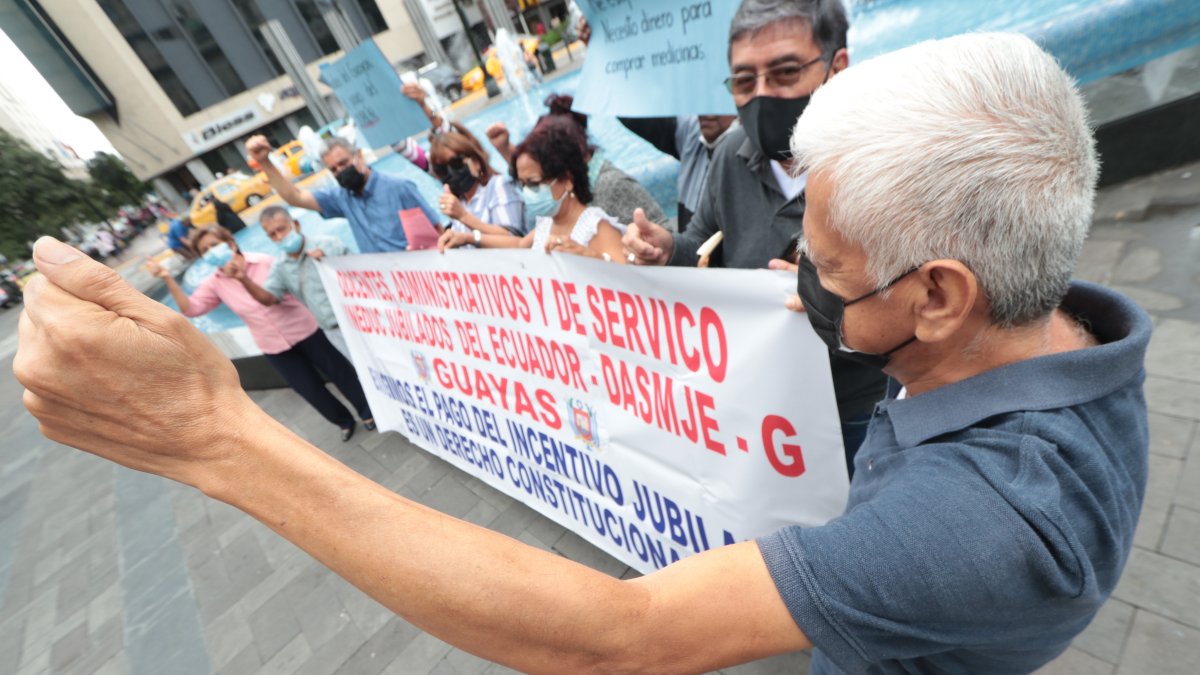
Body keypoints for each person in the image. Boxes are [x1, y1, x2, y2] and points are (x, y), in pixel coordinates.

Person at [13, 31, 1152, 674]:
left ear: (942, 296)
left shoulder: (986, 524)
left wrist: (216, 440)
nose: (801, 276)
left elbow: (618, 635)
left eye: (828, 266)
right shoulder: (1066, 327)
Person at [622, 0, 884, 465]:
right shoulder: (728, 155)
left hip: (864, 409)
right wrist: (665, 250)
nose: (761, 96)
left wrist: (844, 293)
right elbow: (701, 242)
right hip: (768, 408)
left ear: (836, 68)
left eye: (784, 73)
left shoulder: (886, 165)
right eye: (744, 82)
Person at [146, 225, 375, 442]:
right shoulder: (214, 284)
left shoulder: (265, 262)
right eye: (204, 250)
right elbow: (191, 309)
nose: (211, 251)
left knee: (341, 373)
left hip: (304, 328)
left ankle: (366, 411)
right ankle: (343, 421)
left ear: (230, 243)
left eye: (214, 244)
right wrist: (166, 277)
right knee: (309, 389)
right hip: (272, 345)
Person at [575, 16, 737, 232]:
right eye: (700, 92)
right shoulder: (692, 135)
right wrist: (605, 49)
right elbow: (633, 107)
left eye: (719, 92)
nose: (705, 106)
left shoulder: (761, 153)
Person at [439, 116, 626, 264]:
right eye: (524, 184)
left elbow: (632, 281)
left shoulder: (596, 226)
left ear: (567, 179)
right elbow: (519, 245)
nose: (528, 192)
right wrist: (469, 238)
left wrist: (591, 258)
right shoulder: (547, 224)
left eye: (535, 183)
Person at [485, 94, 668, 227]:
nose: (529, 192)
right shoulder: (559, 201)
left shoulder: (610, 185)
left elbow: (664, 236)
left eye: (533, 184)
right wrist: (504, 148)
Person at [245, 135, 441, 253]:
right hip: (387, 285)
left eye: (344, 163)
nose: (340, 171)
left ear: (359, 157)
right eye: (334, 169)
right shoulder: (342, 197)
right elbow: (295, 197)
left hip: (420, 277)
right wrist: (265, 163)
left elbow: (436, 229)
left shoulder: (399, 187)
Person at [401, 84, 528, 237]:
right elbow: (405, 148)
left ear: (475, 160)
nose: (451, 172)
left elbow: (513, 240)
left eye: (456, 164)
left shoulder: (497, 186)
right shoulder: (459, 202)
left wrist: (464, 217)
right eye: (442, 170)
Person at [246, 206, 354, 358]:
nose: (279, 237)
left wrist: (330, 261)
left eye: (281, 229)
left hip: (359, 320)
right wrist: (242, 278)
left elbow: (360, 273)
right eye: (272, 235)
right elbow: (269, 298)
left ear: (295, 224)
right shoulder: (280, 266)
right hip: (333, 329)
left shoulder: (328, 244)